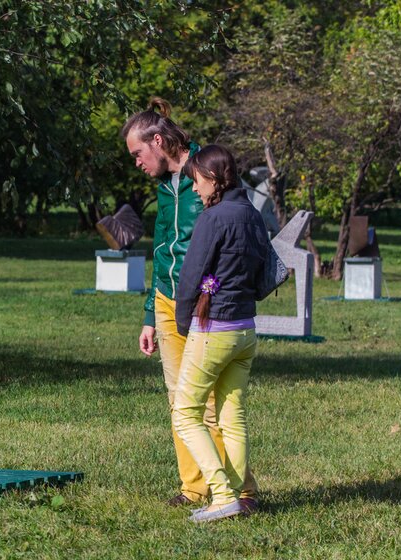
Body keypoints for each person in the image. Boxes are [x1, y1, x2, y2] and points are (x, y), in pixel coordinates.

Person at [120, 98, 257, 509]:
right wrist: (150, 314)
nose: (137, 163)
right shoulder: (164, 187)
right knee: (179, 399)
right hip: (167, 301)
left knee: (214, 404)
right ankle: (194, 486)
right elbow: (162, 248)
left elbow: (241, 226)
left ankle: (239, 491)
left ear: (158, 141)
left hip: (205, 304)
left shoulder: (211, 172)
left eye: (138, 154)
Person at [171, 144, 269, 522]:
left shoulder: (213, 219)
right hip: (246, 329)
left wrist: (184, 326)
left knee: (185, 414)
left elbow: (190, 278)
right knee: (233, 416)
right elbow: (263, 273)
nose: (195, 189)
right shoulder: (252, 215)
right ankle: (241, 498)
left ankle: (223, 494)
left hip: (214, 330)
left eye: (196, 181)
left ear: (213, 179)